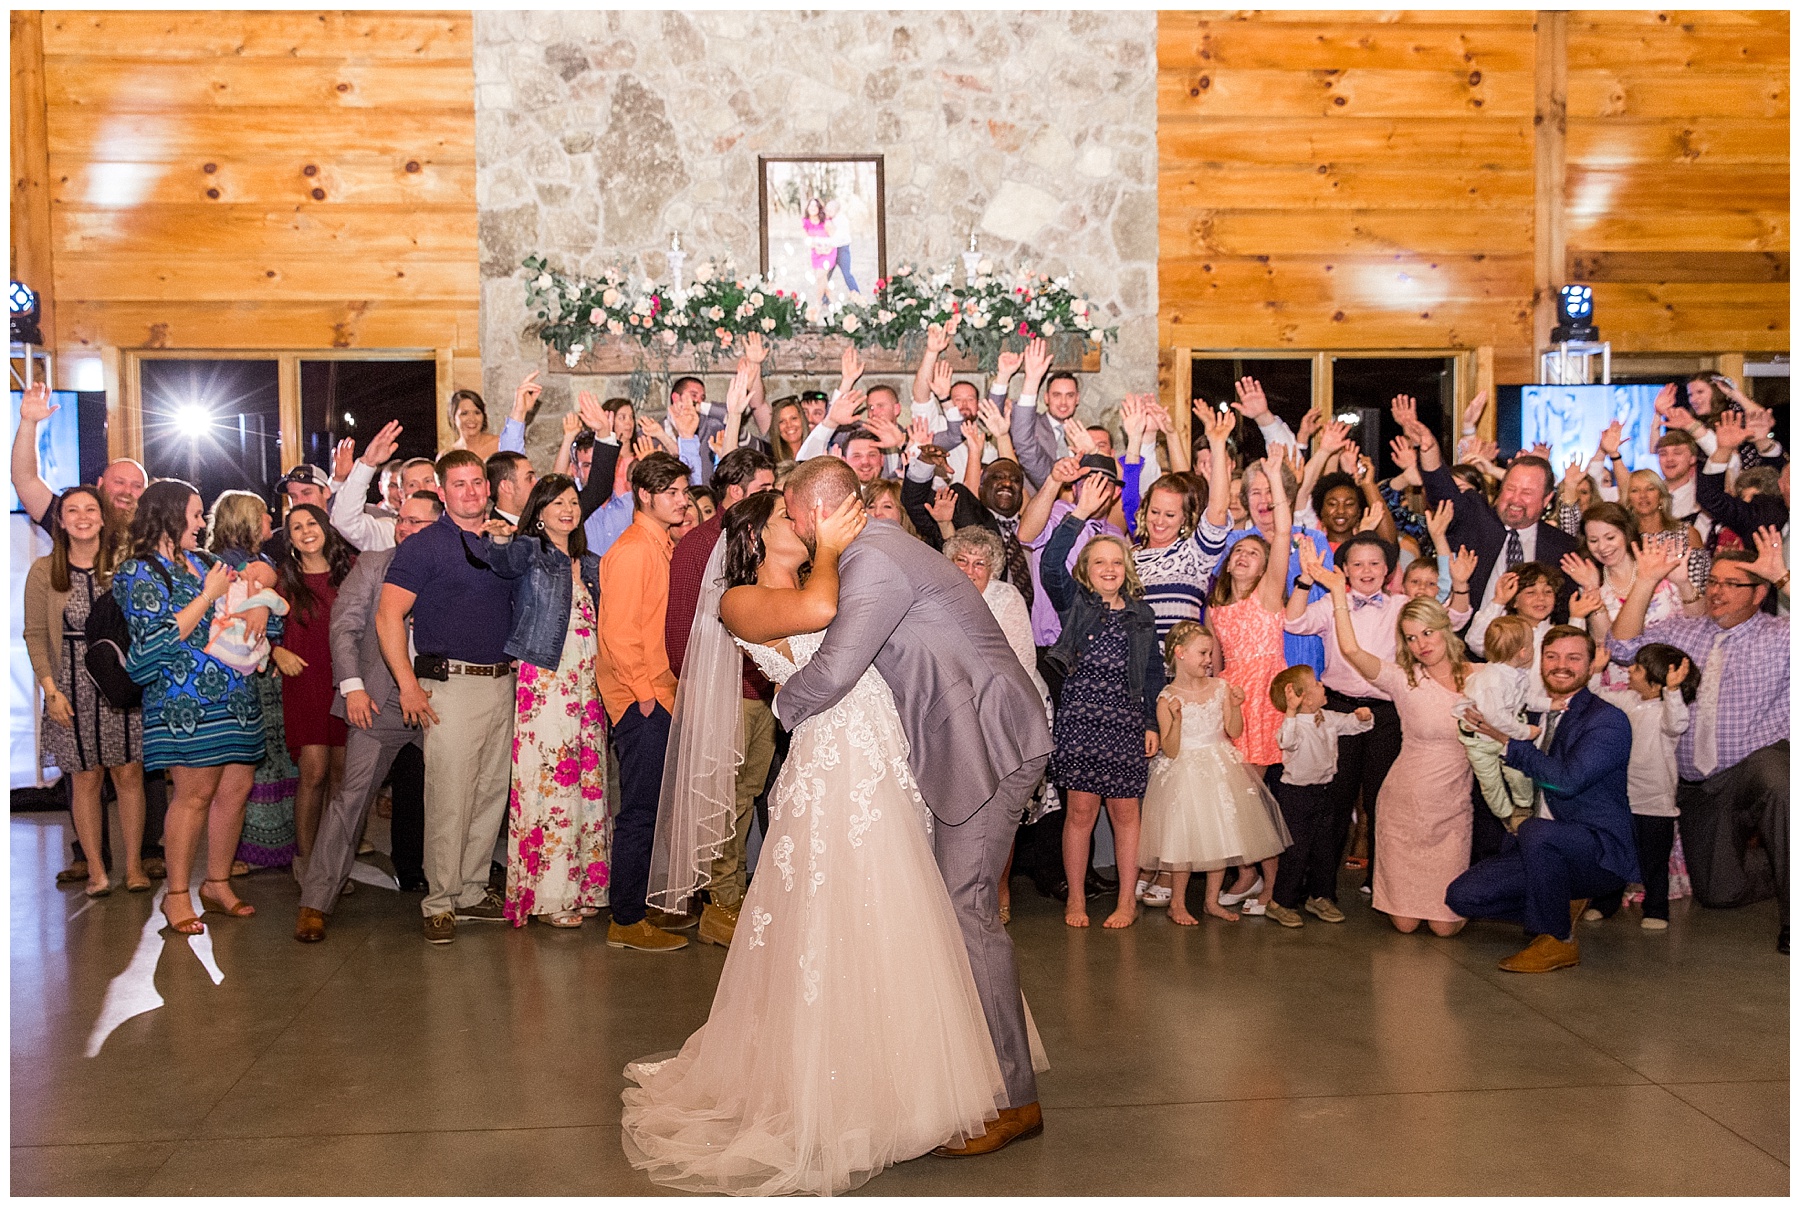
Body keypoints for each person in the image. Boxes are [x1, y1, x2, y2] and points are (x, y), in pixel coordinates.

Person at [621, 486, 1026, 1195]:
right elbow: (822, 619)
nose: (800, 525)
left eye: (795, 512)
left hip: (882, 759)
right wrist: (835, 549)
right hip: (833, 763)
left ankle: (910, 1070)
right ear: (756, 537)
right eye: (785, 518)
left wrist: (832, 550)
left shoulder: (829, 570)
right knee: (845, 913)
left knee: (903, 917)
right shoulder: (740, 599)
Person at [766, 456, 1054, 1157]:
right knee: (947, 912)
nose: (792, 522)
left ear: (816, 509)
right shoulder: (869, 553)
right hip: (961, 745)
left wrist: (781, 701)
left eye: (791, 509)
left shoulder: (875, 561)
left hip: (991, 744)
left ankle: (1013, 1100)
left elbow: (834, 670)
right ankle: (965, 1072)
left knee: (965, 911)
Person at [1606, 543, 1790, 953]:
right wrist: (1647, 580)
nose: (1716, 591)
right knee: (1718, 893)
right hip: (1699, 784)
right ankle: (1779, 868)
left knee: (1781, 783)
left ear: (1759, 593)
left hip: (1754, 765)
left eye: (1731, 584)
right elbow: (1620, 649)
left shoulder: (1781, 636)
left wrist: (1783, 578)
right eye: (1712, 582)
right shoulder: (1681, 631)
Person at [377, 450, 518, 944]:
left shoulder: (504, 540)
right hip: (450, 685)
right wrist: (407, 684)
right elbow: (387, 616)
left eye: (477, 482)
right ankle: (439, 901)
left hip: (503, 682)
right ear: (441, 491)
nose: (471, 492)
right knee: (448, 797)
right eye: (459, 484)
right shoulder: (424, 546)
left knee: (488, 794)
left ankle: (473, 890)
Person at [114, 480, 266, 934]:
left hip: (235, 697)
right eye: (195, 515)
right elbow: (155, 642)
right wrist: (206, 595)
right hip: (184, 702)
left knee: (235, 792)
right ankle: (176, 895)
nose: (202, 524)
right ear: (168, 515)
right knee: (193, 796)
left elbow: (257, 580)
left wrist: (257, 607)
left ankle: (217, 884)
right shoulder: (136, 572)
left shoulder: (203, 562)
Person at [1289, 530, 1472, 900]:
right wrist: (1307, 578)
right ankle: (1322, 888)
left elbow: (1453, 617)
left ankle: (1383, 882)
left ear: (1389, 570)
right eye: (1357, 563)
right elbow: (1293, 622)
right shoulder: (1329, 605)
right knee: (1335, 801)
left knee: (1382, 800)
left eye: (1374, 563)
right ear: (1343, 570)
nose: (1366, 570)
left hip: (1389, 712)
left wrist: (1462, 583)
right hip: (1339, 708)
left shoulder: (1401, 605)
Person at [294, 492, 442, 942]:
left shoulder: (453, 564)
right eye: (401, 519)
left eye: (416, 522)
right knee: (351, 799)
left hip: (443, 702)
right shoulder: (375, 563)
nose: (403, 528)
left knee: (456, 798)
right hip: (379, 702)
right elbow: (344, 626)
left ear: (438, 526)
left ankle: (455, 892)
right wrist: (352, 687)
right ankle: (315, 901)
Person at [1447, 627, 1639, 972]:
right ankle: (1556, 902)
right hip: (1540, 846)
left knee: (1536, 831)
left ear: (1592, 663)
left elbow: (1566, 782)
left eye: (1573, 658)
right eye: (1552, 656)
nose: (1560, 665)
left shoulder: (1607, 721)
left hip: (1596, 852)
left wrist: (1506, 740)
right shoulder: (1530, 711)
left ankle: (1558, 939)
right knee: (1463, 897)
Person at [659, 446, 778, 948]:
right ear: (735, 490)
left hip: (764, 693)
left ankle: (732, 894)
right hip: (721, 695)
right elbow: (679, 632)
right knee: (720, 798)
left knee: (748, 796)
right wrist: (703, 695)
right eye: (765, 490)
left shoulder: (768, 537)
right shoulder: (699, 545)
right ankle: (721, 902)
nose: (775, 499)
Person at [481, 475, 609, 928]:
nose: (568, 509)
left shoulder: (590, 562)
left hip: (588, 681)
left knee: (588, 782)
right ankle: (551, 897)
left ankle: (586, 885)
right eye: (557, 502)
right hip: (547, 677)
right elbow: (498, 559)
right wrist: (496, 535)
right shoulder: (530, 551)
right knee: (552, 782)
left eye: (574, 501)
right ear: (539, 510)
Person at [1319, 572, 1476, 937]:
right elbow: (1353, 652)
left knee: (1444, 928)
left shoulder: (1480, 677)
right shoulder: (1402, 679)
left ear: (1445, 629)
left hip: (1451, 809)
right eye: (1410, 637)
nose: (1420, 643)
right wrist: (1338, 595)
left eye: (1427, 632)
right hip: (1404, 806)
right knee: (1405, 925)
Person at [1041, 474, 1165, 930]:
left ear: (1126, 570)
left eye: (1117, 562)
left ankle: (1127, 901)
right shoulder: (1076, 604)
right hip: (1080, 718)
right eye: (1099, 563)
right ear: (1087, 571)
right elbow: (1050, 564)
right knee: (1080, 812)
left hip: (1126, 721)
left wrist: (1151, 722)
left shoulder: (1141, 613)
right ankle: (1076, 899)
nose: (1109, 569)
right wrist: (1077, 515)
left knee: (1126, 813)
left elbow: (1153, 672)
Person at [24, 486, 150, 896]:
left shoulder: (125, 567)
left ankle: (133, 867)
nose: (82, 517)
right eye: (72, 510)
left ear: (102, 517)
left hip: (118, 679)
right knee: (84, 779)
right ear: (59, 521)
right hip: (69, 685)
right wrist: (50, 690)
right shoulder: (44, 571)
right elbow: (36, 635)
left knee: (129, 773)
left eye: (90, 510)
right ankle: (96, 870)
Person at [596, 450, 695, 952]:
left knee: (655, 809)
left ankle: (644, 905)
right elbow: (616, 632)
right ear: (646, 496)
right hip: (644, 699)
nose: (681, 501)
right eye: (671, 493)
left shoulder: (661, 544)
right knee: (639, 811)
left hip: (660, 693)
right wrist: (644, 696)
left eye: (684, 492)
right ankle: (626, 919)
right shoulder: (635, 548)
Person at [1141, 622, 1289, 925]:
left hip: (1220, 765)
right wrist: (1178, 720)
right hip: (1185, 770)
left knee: (1220, 836)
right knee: (1183, 838)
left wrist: (1234, 707)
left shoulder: (1220, 687)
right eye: (1204, 653)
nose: (1210, 659)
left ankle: (1211, 901)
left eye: (1211, 653)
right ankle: (1178, 903)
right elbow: (1169, 749)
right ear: (1180, 653)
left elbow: (1234, 731)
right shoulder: (1167, 697)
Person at [1401, 394, 1578, 617]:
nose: (1515, 499)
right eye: (1510, 489)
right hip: (1471, 646)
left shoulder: (1562, 547)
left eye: (1527, 493)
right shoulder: (1474, 516)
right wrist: (1428, 449)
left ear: (1546, 499)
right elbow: (1441, 490)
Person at [208, 491, 301, 873]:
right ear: (246, 520)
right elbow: (240, 619)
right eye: (264, 515)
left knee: (269, 761)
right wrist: (263, 602)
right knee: (243, 769)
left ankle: (273, 845)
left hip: (261, 670)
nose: (270, 521)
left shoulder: (260, 561)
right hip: (238, 674)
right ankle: (240, 852)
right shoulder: (227, 565)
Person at [1586, 644, 1694, 931]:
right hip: (1622, 798)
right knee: (1614, 853)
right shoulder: (1628, 700)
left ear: (1656, 680)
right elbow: (1595, 696)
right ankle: (1604, 901)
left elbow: (1677, 723)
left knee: (1654, 860)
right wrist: (1596, 671)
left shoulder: (1666, 711)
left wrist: (1672, 692)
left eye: (1637, 668)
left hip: (1656, 803)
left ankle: (1656, 908)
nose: (1629, 671)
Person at [275, 504, 355, 883]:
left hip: (346, 682)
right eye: (295, 527)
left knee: (342, 776)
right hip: (305, 682)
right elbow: (254, 628)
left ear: (326, 527)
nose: (306, 531)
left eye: (311, 523)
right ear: (288, 538)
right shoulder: (283, 581)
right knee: (314, 772)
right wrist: (276, 651)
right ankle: (305, 861)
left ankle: (333, 861)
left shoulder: (351, 571)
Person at [1268, 664, 1373, 927]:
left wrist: (1363, 717)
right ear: (1304, 697)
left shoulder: (1328, 718)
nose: (1322, 685)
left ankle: (1321, 895)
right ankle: (1280, 901)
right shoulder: (1292, 726)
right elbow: (1286, 741)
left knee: (1325, 849)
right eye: (1316, 683)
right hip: (1296, 796)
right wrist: (1291, 712)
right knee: (1296, 852)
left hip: (1324, 792)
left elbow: (1352, 726)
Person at [1453, 614, 1540, 827]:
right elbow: (1495, 718)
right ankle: (1505, 814)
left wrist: (1548, 705)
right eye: (1531, 644)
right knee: (1491, 783)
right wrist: (1524, 732)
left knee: (1519, 774)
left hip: (1503, 733)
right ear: (1523, 652)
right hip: (1480, 742)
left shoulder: (1516, 673)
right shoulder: (1492, 680)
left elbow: (1526, 699)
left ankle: (1523, 805)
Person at [446, 388, 499, 461]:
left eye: (477, 413)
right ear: (453, 418)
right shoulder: (448, 455)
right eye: (464, 413)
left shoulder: (500, 444)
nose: (472, 419)